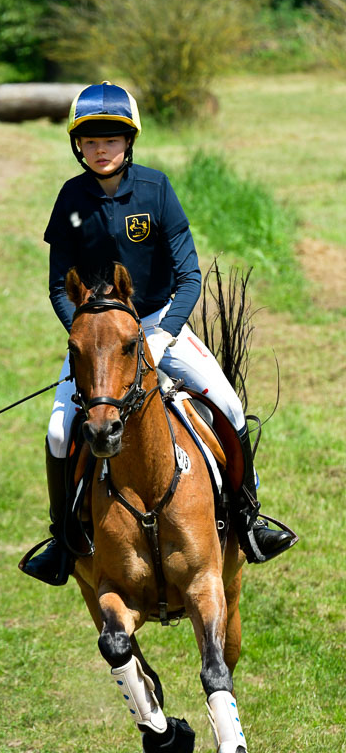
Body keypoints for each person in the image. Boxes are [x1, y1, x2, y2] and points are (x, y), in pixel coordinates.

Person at [20, 82, 296, 586]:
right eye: (90, 141)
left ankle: (249, 518)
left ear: (129, 143)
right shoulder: (71, 198)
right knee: (60, 430)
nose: (100, 150)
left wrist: (165, 334)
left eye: (111, 140)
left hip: (158, 323)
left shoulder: (156, 189)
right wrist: (88, 335)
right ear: (77, 145)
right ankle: (62, 541)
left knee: (230, 407)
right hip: (100, 335)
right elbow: (60, 286)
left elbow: (190, 275)